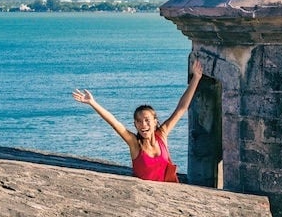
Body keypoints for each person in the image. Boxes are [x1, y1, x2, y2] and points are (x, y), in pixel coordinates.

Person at [72, 59, 203, 181]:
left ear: (155, 121)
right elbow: (114, 123)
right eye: (138, 121)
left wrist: (196, 78)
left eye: (147, 120)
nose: (143, 125)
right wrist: (92, 103)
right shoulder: (135, 144)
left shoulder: (162, 135)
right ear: (135, 124)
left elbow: (181, 108)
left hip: (170, 193)